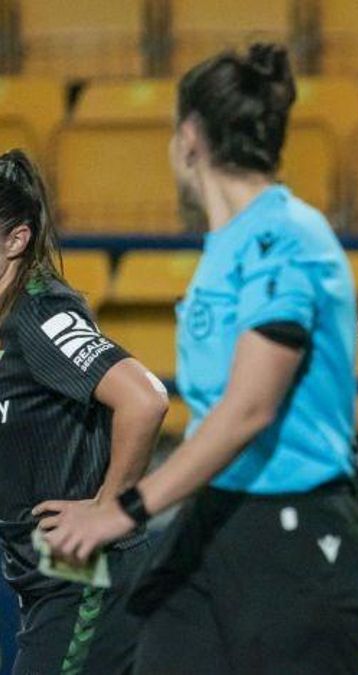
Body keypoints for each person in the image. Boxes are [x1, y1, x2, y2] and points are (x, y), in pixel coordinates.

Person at [36, 43, 358, 674]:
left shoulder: (287, 238)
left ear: (189, 137)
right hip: (216, 520)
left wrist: (126, 508)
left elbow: (249, 408)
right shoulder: (226, 248)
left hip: (297, 535)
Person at [0, 150, 167, 674]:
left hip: (84, 583)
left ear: (16, 240)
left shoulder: (42, 316)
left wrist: (110, 509)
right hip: (43, 585)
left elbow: (145, 399)